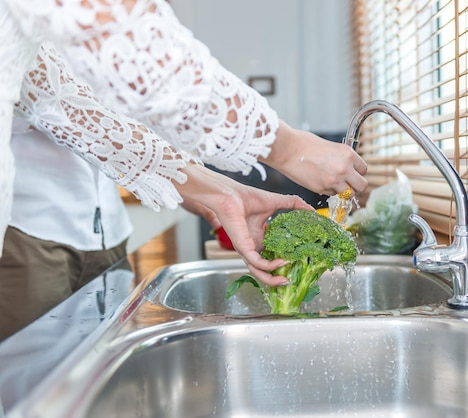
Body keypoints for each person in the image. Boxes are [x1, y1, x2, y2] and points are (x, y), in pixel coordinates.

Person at [0, 3, 367, 338]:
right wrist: (290, 148)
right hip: (25, 222)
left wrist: (221, 192)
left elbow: (68, 107)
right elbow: (138, 53)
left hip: (101, 228)